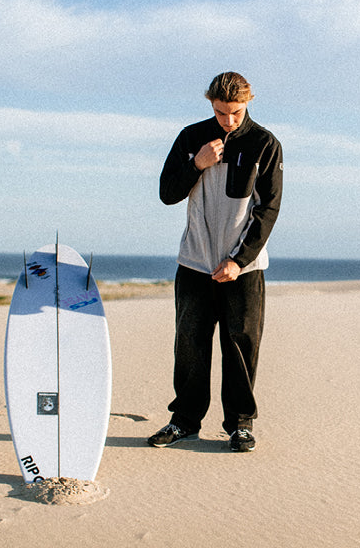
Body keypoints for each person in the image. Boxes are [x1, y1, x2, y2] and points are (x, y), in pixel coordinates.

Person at [148, 72, 283, 452]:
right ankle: (184, 422)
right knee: (189, 346)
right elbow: (166, 194)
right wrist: (198, 163)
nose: (229, 120)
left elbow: (268, 210)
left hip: (244, 269)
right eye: (222, 112)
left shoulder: (265, 144)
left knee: (241, 346)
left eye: (236, 112)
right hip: (194, 263)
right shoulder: (191, 137)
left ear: (249, 102)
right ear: (211, 103)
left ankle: (240, 425)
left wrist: (239, 260)